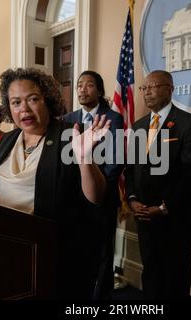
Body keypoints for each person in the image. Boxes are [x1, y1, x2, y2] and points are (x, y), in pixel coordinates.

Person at [0, 68, 110, 299]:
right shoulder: (9, 139)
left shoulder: (71, 135)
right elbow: (8, 182)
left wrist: (84, 159)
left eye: (32, 99)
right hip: (6, 250)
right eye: (15, 102)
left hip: (51, 256)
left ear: (48, 100)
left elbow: (95, 198)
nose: (24, 108)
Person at [124, 70, 191, 299]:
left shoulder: (188, 123)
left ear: (169, 89)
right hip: (144, 215)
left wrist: (164, 206)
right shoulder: (139, 126)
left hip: (175, 214)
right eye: (144, 88)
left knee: (175, 276)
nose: (147, 92)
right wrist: (132, 199)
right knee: (151, 272)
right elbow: (131, 169)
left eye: (153, 87)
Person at [63, 71, 124, 300]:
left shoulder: (113, 118)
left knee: (104, 252)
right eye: (79, 85)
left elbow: (115, 161)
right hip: (74, 198)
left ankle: (101, 299)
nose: (82, 89)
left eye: (89, 85)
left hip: (104, 196)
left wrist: (98, 187)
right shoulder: (68, 119)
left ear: (99, 90)